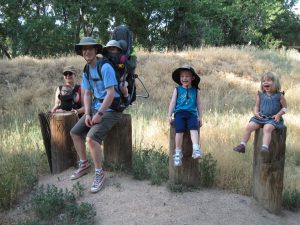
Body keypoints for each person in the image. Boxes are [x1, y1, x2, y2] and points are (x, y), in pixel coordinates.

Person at [70, 37, 122, 193]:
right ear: (82, 53)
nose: (87, 51)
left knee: (91, 139)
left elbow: (111, 93)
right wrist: (87, 113)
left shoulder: (105, 67)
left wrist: (99, 113)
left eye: (90, 48)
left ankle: (99, 172)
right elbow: (86, 94)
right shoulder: (86, 69)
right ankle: (84, 164)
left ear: (96, 50)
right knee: (75, 132)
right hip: (95, 107)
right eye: (84, 49)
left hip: (112, 109)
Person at [233, 72, 287, 154]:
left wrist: (278, 115)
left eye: (268, 80)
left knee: (267, 128)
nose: (265, 82)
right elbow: (256, 106)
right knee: (249, 126)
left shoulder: (279, 96)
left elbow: (284, 108)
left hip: (272, 119)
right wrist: (255, 113)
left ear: (275, 83)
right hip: (260, 118)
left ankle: (265, 147)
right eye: (263, 81)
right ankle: (242, 145)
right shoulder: (260, 94)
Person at [168, 65, 204, 167]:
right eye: (182, 76)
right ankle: (178, 153)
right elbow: (173, 102)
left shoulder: (196, 90)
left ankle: (196, 149)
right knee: (179, 131)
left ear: (192, 78)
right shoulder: (177, 89)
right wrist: (169, 115)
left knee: (194, 129)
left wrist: (200, 117)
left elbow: (199, 104)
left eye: (187, 76)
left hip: (192, 114)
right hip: (179, 114)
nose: (184, 78)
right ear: (180, 78)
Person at [103, 40, 130, 106]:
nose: (111, 50)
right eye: (109, 48)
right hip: (110, 79)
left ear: (118, 50)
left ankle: (126, 97)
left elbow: (127, 70)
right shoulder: (105, 58)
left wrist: (123, 78)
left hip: (122, 79)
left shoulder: (122, 58)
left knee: (122, 86)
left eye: (113, 48)